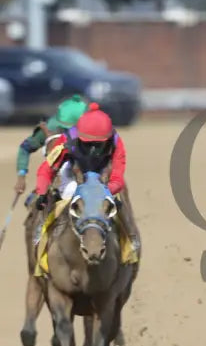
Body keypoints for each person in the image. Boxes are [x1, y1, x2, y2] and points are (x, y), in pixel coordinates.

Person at [33, 102, 140, 256]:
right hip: (74, 172)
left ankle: (130, 234)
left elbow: (117, 175)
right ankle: (43, 227)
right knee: (62, 195)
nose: (94, 149)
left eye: (99, 144)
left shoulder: (116, 142)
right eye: (88, 144)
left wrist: (104, 192)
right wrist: (42, 192)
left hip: (102, 175)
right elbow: (46, 169)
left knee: (117, 199)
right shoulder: (67, 139)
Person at [15, 95, 88, 196]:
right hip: (54, 176)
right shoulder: (50, 127)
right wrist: (21, 176)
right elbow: (25, 148)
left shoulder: (95, 132)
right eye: (65, 129)